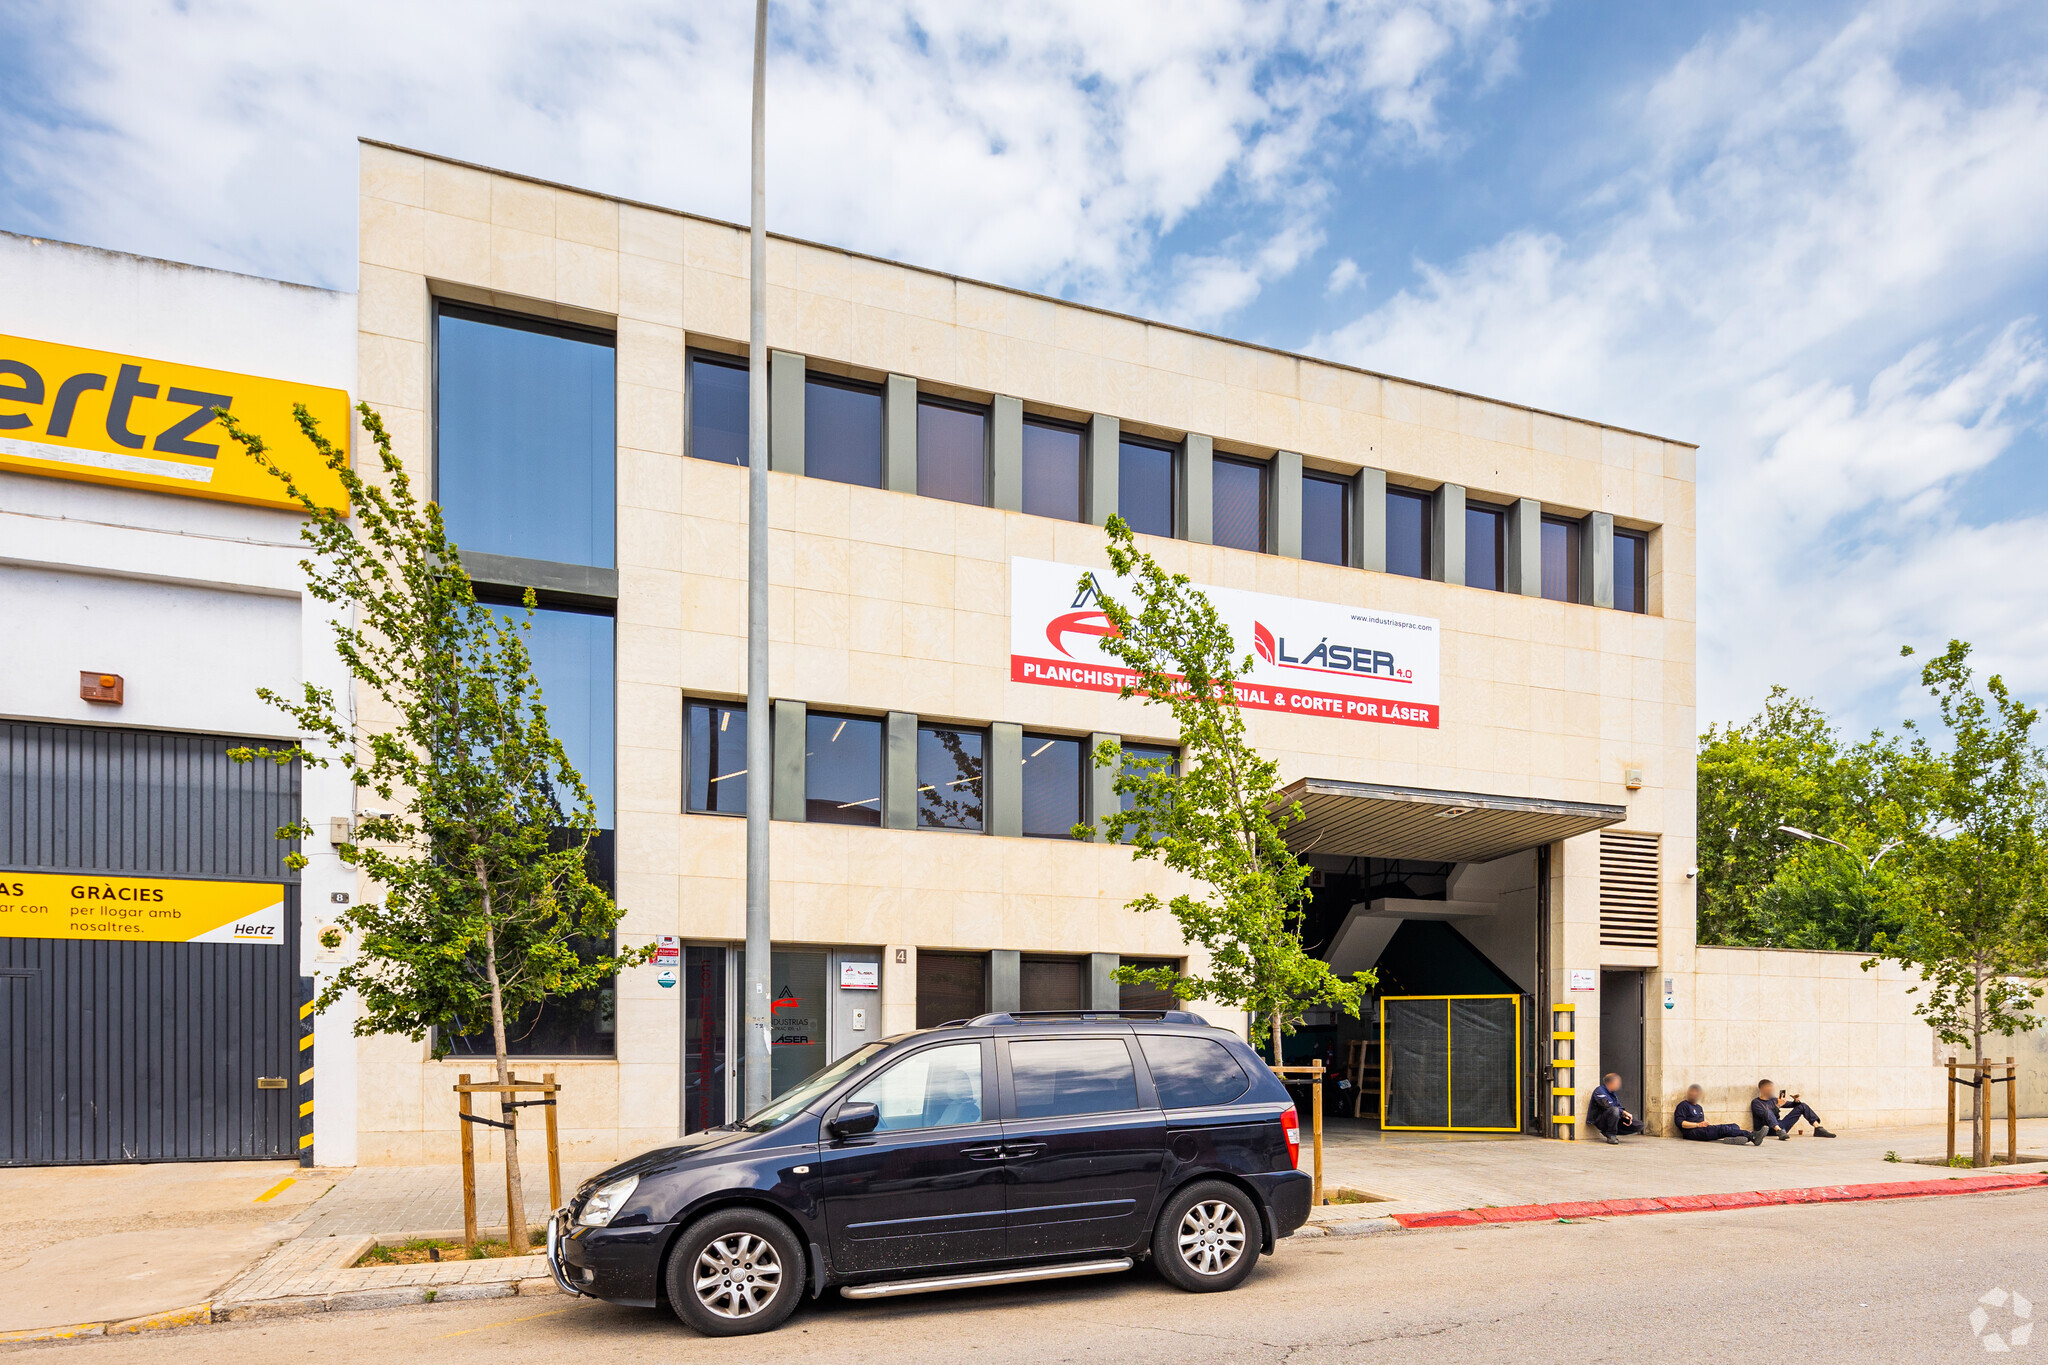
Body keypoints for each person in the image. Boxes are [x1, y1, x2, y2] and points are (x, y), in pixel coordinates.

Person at [1674, 1084, 1765, 1145]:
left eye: (1696, 1092)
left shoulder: (1699, 1107)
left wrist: (1704, 1124)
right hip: (1691, 1132)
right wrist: (1698, 1125)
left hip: (1702, 1129)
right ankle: (1752, 1136)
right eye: (1692, 1092)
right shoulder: (1683, 1105)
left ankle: (1732, 1139)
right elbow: (1680, 1123)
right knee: (1722, 1129)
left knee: (1734, 1126)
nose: (1694, 1094)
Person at [1751, 1079, 1836, 1139]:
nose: (1770, 1090)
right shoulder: (1756, 1102)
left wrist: (1796, 1101)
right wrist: (1778, 1105)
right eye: (1768, 1088)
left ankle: (1818, 1128)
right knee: (1768, 1111)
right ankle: (1779, 1131)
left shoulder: (1774, 1099)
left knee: (1802, 1105)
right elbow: (1766, 1115)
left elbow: (1792, 1105)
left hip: (1782, 1127)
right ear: (1761, 1089)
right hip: (1768, 1130)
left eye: (1771, 1088)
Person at [1588, 1073, 1643, 1143]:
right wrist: (1623, 1112)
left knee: (1638, 1125)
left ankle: (1609, 1131)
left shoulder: (1613, 1093)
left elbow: (1618, 1106)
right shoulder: (1599, 1091)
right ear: (1611, 1083)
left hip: (1614, 1118)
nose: (1619, 1085)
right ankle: (1611, 1135)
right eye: (1617, 1083)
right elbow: (1607, 1106)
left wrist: (1624, 1115)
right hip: (1601, 1120)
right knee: (1614, 1110)